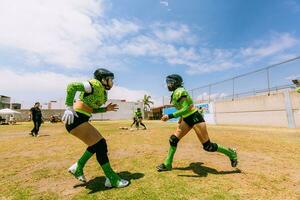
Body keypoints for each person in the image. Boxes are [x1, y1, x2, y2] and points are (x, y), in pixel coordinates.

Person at [62, 68, 129, 188]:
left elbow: (91, 109)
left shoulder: (102, 91)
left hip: (81, 118)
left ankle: (78, 167)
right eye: (110, 79)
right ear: (103, 79)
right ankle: (111, 178)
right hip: (76, 118)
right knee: (101, 144)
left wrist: (105, 109)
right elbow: (72, 86)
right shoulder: (94, 84)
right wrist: (68, 107)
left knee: (96, 145)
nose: (112, 82)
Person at [156, 74, 238, 172]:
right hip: (187, 119)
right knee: (173, 139)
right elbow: (184, 108)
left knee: (208, 146)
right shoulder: (175, 92)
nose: (168, 85)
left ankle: (231, 153)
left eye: (169, 83)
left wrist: (170, 116)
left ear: (175, 83)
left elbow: (187, 108)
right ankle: (167, 164)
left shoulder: (180, 91)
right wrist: (182, 118)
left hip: (195, 118)